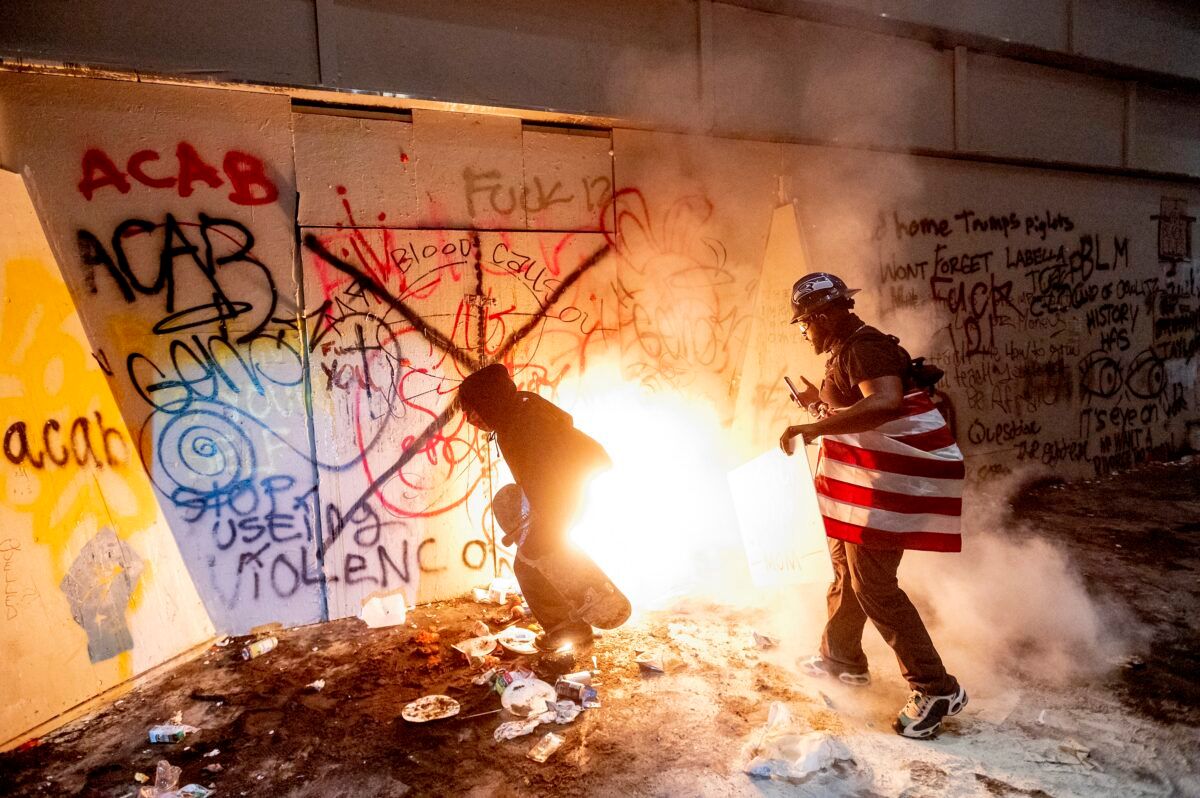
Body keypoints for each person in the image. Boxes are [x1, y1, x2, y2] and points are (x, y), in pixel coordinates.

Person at [778, 272, 968, 739]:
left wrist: (814, 428)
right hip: (857, 488)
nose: (804, 332)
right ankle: (842, 658)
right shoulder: (849, 349)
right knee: (847, 572)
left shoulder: (865, 348)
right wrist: (817, 406)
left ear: (823, 317)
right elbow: (857, 411)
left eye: (804, 323)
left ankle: (936, 688)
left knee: (875, 586)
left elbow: (884, 403)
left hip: (878, 492)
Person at [458, 363, 623, 651]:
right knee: (544, 554)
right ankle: (573, 613)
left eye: (472, 410)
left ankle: (568, 629)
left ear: (489, 401)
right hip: (571, 484)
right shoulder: (517, 412)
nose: (470, 419)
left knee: (530, 563)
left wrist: (543, 523)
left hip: (569, 486)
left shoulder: (523, 424)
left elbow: (548, 474)